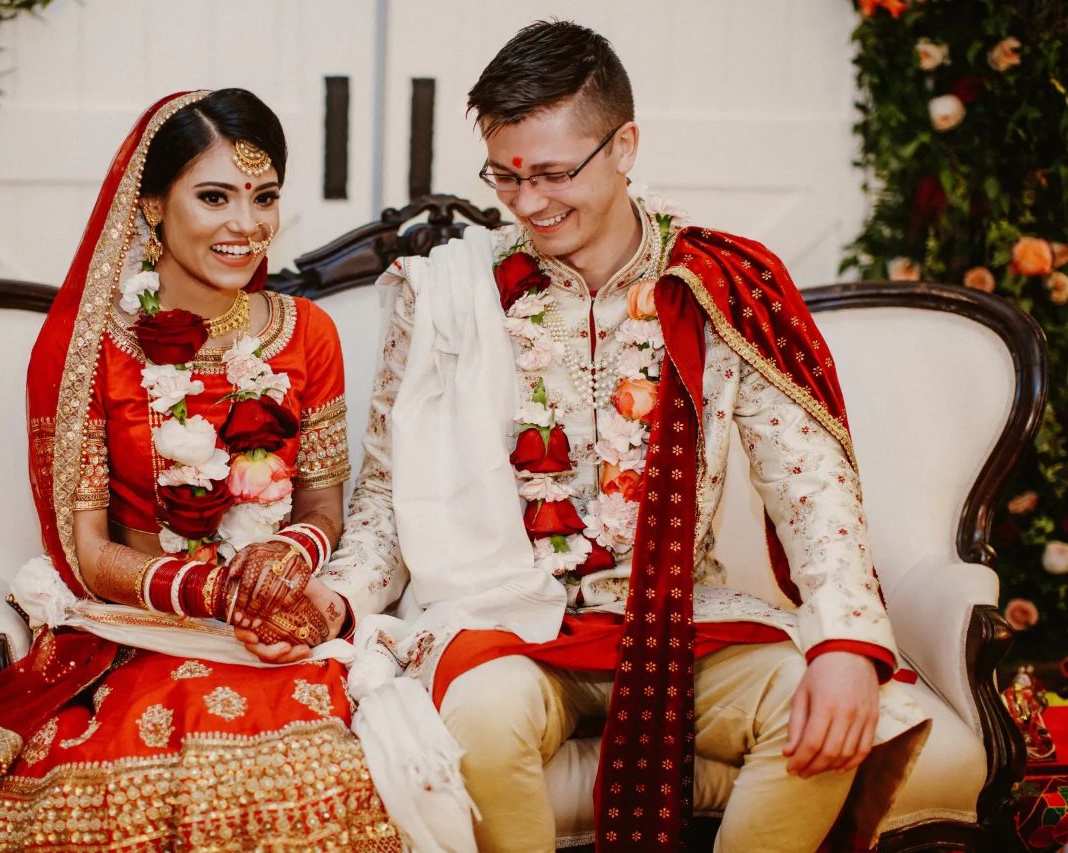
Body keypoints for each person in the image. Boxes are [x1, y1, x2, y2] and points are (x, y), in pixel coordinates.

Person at [309, 21, 931, 853]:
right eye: (506, 175)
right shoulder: (449, 294)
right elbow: (389, 495)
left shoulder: (719, 287)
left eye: (555, 172)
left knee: (815, 704)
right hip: (510, 620)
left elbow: (810, 485)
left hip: (683, 616)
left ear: (625, 144)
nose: (528, 203)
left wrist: (851, 641)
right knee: (480, 723)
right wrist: (339, 596)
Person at [0, 89, 401, 852]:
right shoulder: (91, 352)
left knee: (333, 773)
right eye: (214, 197)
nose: (247, 225)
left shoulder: (309, 332)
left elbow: (324, 508)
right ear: (149, 207)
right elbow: (86, 551)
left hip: (275, 632)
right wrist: (207, 589)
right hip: (135, 630)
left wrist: (283, 559)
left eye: (264, 197)